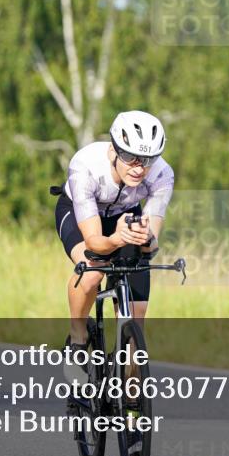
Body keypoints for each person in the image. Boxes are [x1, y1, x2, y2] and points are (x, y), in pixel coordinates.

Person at [54, 111, 174, 374]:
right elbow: (95, 241)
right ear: (114, 151)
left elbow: (151, 246)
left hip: (125, 215)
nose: (139, 168)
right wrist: (116, 239)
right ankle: (77, 339)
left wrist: (146, 240)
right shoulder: (85, 165)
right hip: (80, 214)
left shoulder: (162, 175)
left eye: (148, 160)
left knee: (136, 318)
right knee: (92, 270)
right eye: (131, 158)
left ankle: (130, 398)